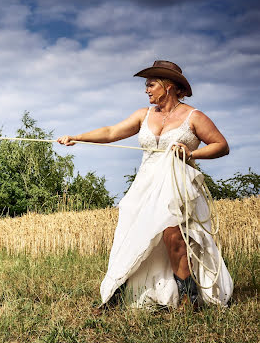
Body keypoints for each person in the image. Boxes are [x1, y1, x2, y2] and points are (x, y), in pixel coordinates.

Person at [57, 60, 233, 310]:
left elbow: (221, 146)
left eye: (151, 85)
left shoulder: (194, 116)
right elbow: (110, 132)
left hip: (176, 183)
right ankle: (120, 294)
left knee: (174, 236)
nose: (146, 90)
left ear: (168, 86)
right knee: (132, 234)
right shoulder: (144, 114)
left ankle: (188, 299)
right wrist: (76, 137)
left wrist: (191, 153)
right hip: (146, 184)